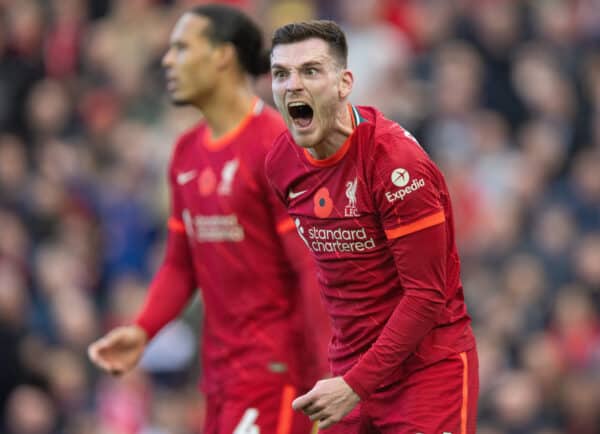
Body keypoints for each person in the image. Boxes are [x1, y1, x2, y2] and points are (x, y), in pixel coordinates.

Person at [87, 6, 330, 434]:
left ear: (222, 57)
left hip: (278, 371)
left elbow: (312, 268)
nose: (167, 60)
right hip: (219, 375)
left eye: (181, 48)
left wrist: (332, 371)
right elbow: (181, 264)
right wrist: (143, 330)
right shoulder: (186, 152)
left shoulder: (275, 146)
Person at [265, 20, 478, 432]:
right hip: (346, 372)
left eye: (310, 71)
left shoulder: (395, 165)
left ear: (344, 83)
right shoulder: (282, 163)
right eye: (280, 74)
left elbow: (426, 295)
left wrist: (355, 385)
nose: (292, 85)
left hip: (427, 373)